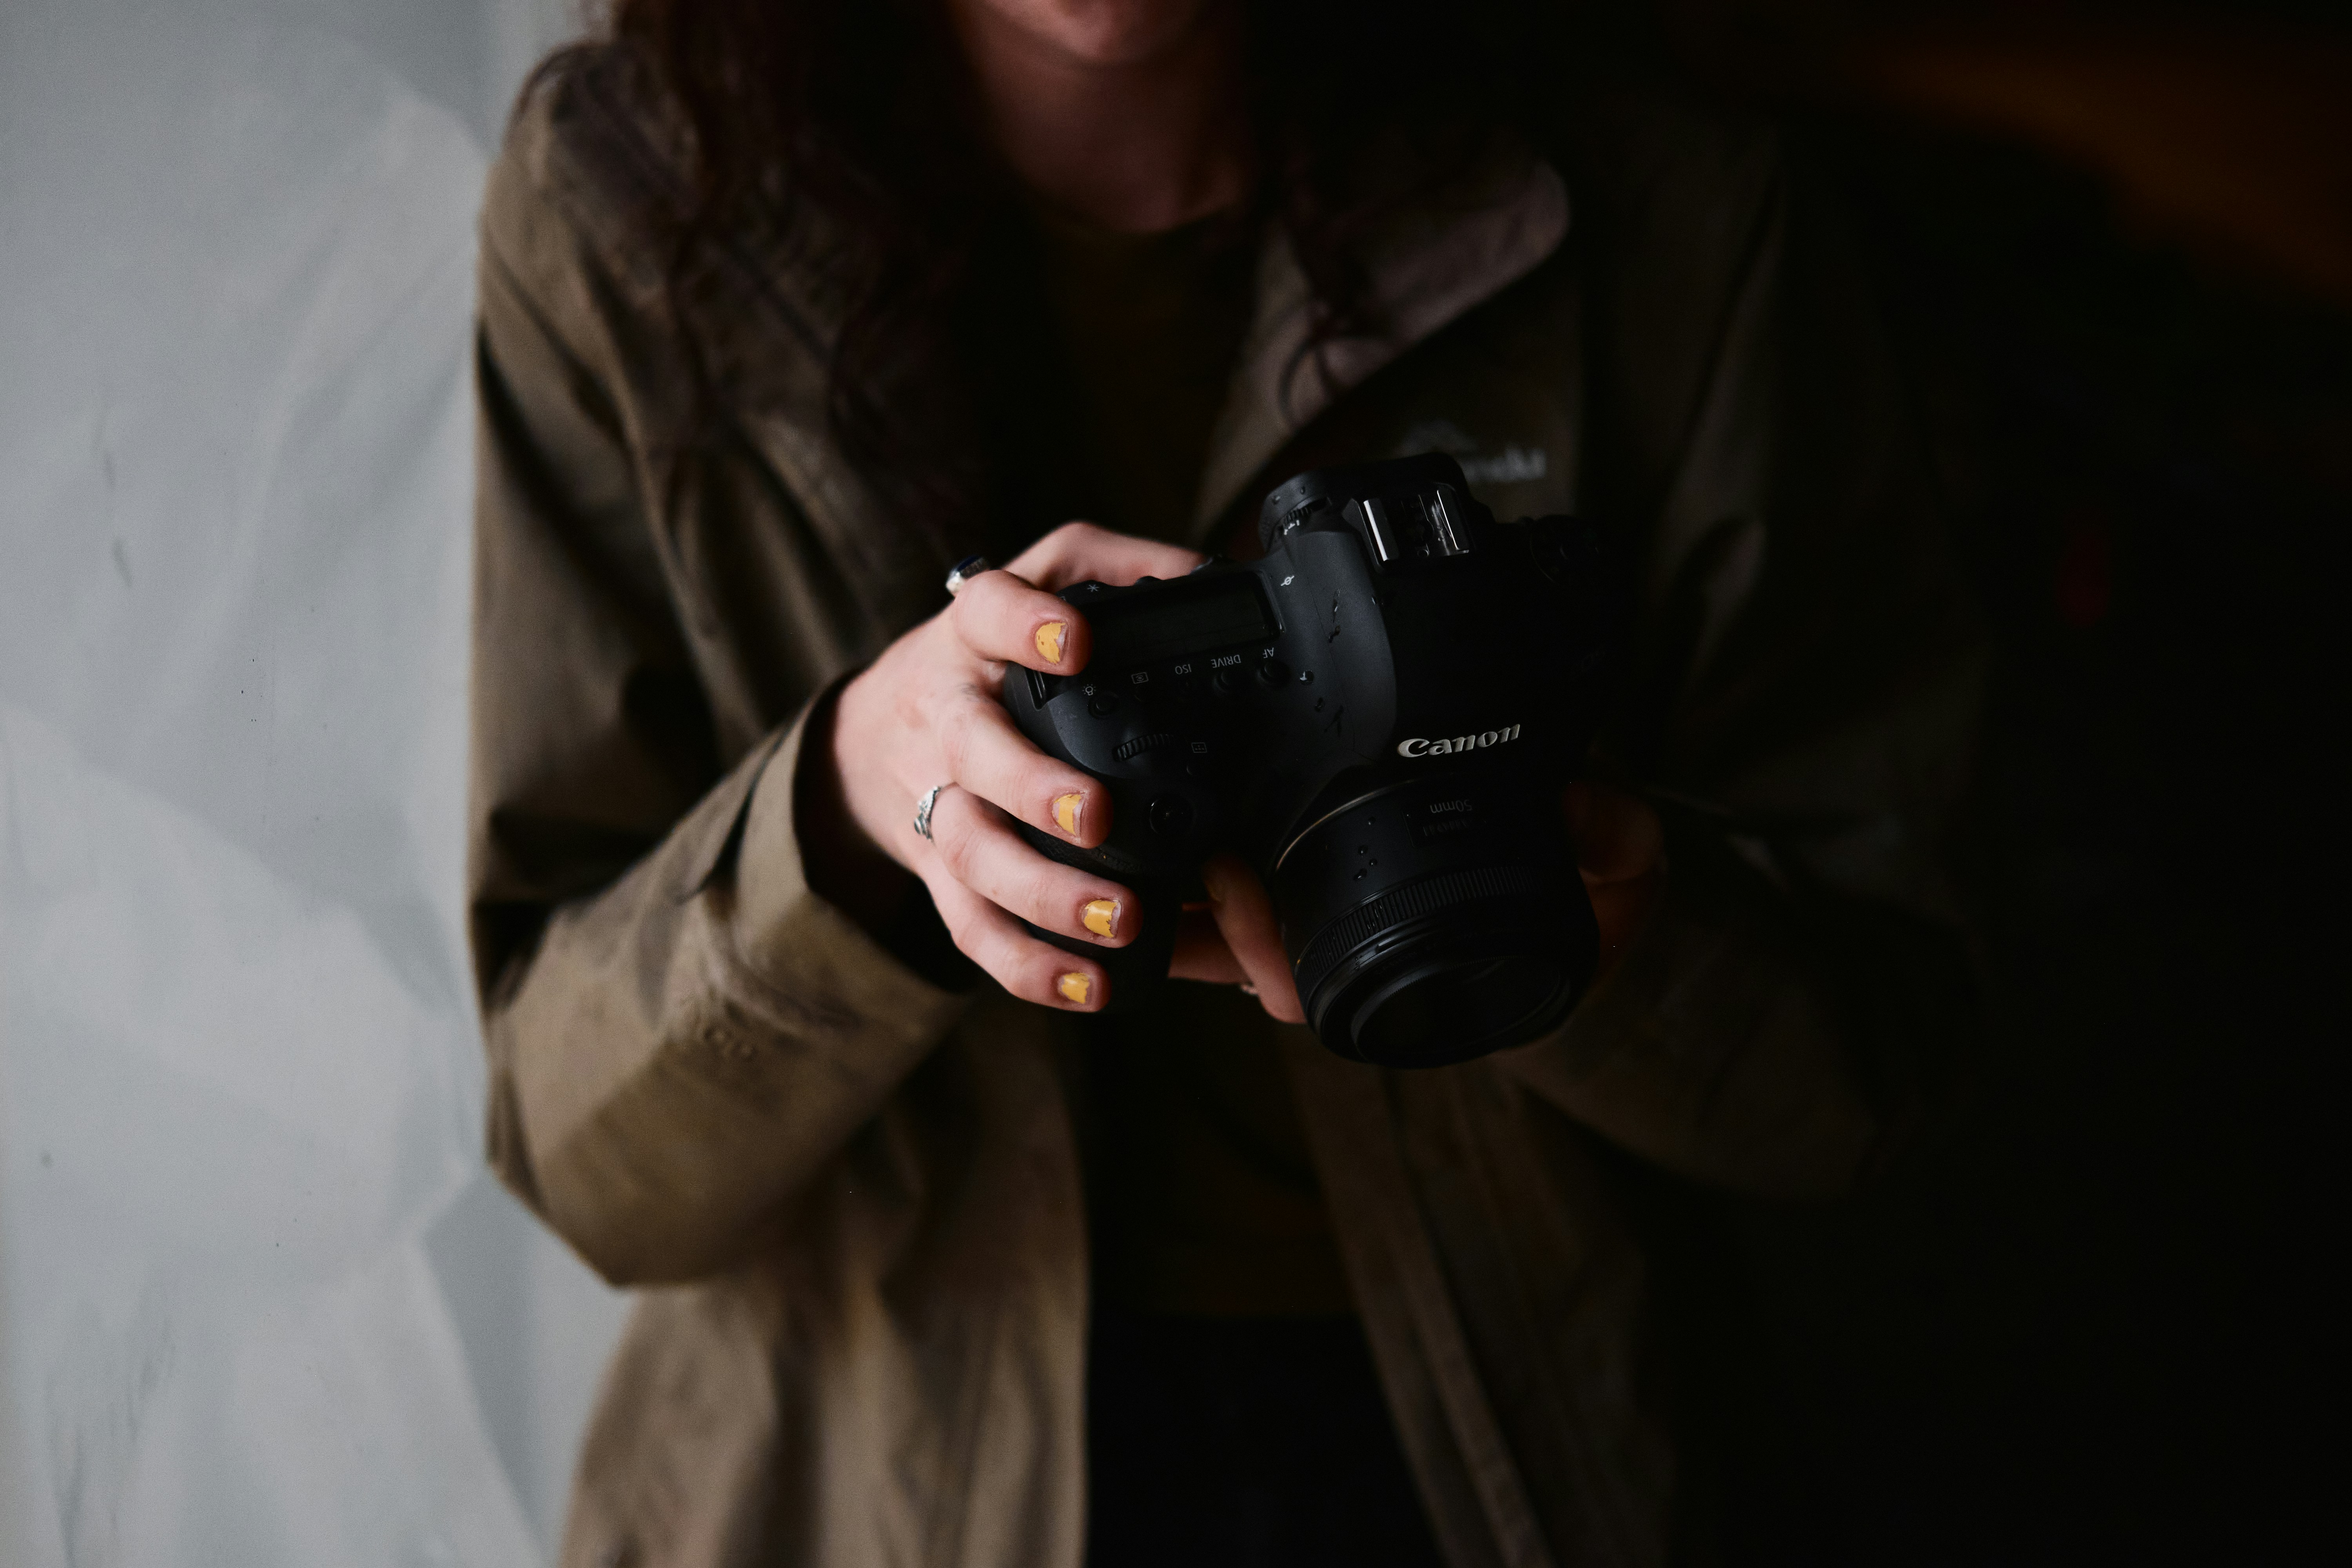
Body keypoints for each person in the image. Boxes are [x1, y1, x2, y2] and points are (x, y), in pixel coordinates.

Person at [465, 0, 1982, 1563]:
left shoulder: (1660, 205)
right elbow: (582, 1163)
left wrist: (1599, 927)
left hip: (1524, 1439)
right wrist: (846, 804)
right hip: (874, 1480)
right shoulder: (635, 206)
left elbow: (1871, 1076)